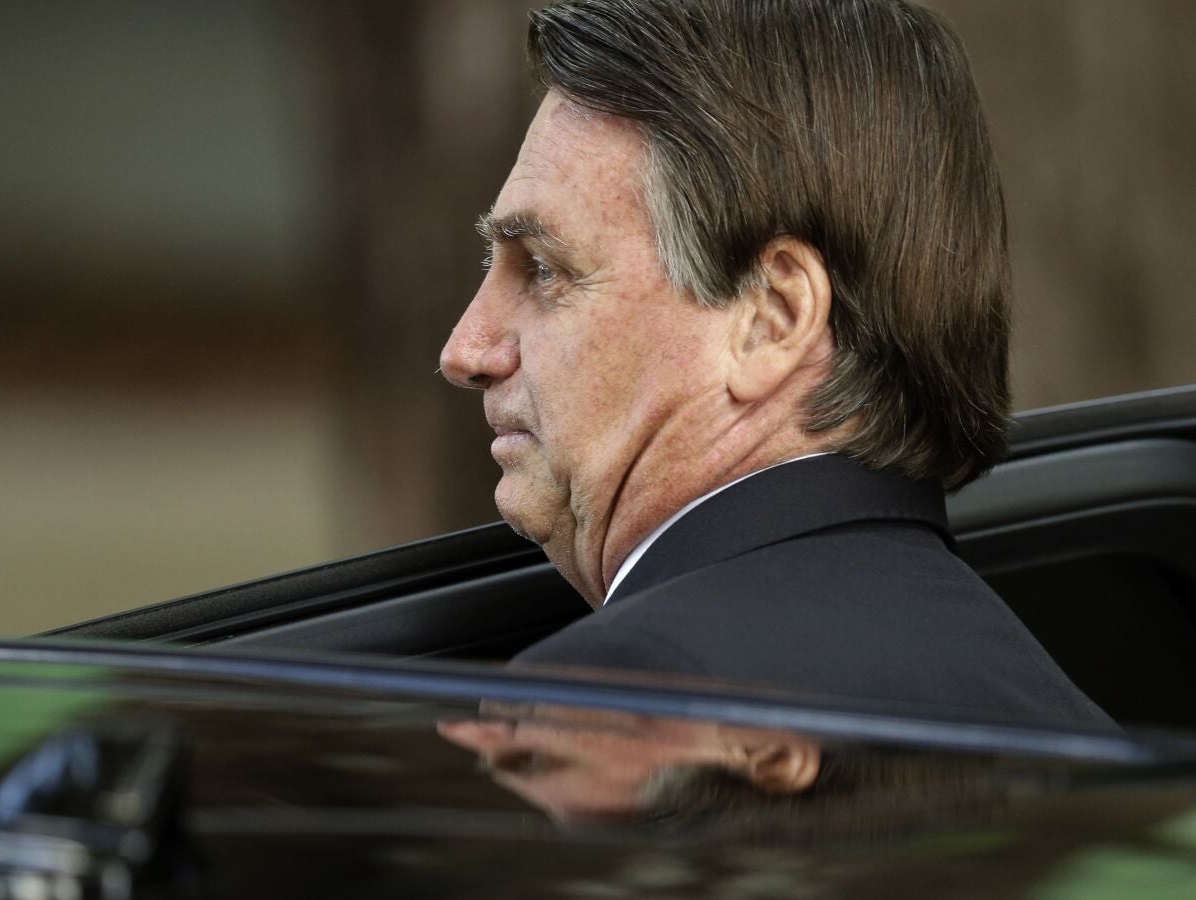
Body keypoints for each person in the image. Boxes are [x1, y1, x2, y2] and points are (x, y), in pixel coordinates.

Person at [437, 0, 1112, 726]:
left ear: (772, 320)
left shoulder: (621, 701)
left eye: (544, 269)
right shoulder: (1065, 716)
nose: (465, 350)